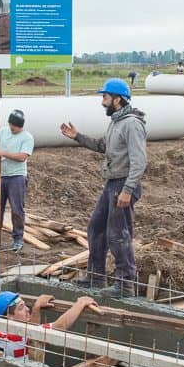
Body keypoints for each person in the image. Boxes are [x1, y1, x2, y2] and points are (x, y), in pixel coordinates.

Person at [59, 78, 147, 298]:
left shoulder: (132, 124)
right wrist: (78, 137)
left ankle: (125, 284)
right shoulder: (116, 122)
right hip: (112, 183)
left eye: (105, 98)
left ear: (117, 99)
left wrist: (127, 190)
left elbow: (139, 161)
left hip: (123, 184)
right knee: (96, 228)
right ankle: (96, 277)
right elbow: (103, 146)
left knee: (118, 234)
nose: (102, 102)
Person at [0, 109, 34, 252]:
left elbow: (22, 157)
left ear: (20, 126)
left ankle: (18, 239)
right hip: (0, 175)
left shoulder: (27, 137)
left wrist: (3, 153)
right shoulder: (3, 132)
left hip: (17, 176)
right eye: (11, 124)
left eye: (15, 126)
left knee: (17, 209)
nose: (12, 128)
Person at [0, 291, 97, 359]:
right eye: (21, 308)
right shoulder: (16, 337)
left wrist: (36, 309)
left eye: (25, 305)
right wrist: (81, 303)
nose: (27, 309)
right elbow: (60, 326)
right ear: (10, 317)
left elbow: (32, 330)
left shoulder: (0, 331)